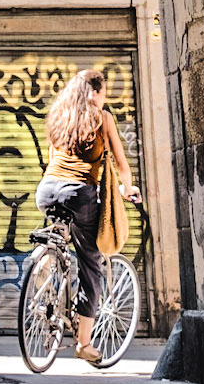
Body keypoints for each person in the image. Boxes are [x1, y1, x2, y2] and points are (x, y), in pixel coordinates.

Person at [35, 68, 141, 366]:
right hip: (79, 193)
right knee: (89, 264)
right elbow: (121, 163)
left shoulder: (58, 114)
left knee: (61, 233)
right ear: (95, 92)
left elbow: (53, 158)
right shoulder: (101, 117)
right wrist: (128, 188)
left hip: (46, 191)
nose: (104, 98)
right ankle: (84, 343)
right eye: (104, 92)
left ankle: (47, 258)